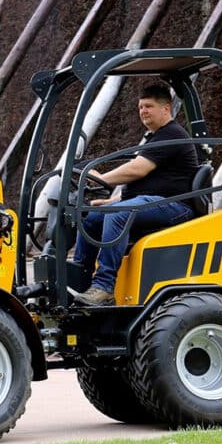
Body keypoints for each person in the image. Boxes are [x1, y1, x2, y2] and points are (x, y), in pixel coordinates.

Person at [71, 83, 199, 306]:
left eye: (148, 106)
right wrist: (112, 200)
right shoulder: (155, 138)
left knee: (118, 213)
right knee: (91, 217)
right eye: (140, 107)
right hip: (159, 202)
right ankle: (79, 281)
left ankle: (103, 287)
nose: (143, 111)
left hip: (177, 207)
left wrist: (99, 179)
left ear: (166, 109)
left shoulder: (171, 135)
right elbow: (148, 186)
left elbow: (138, 170)